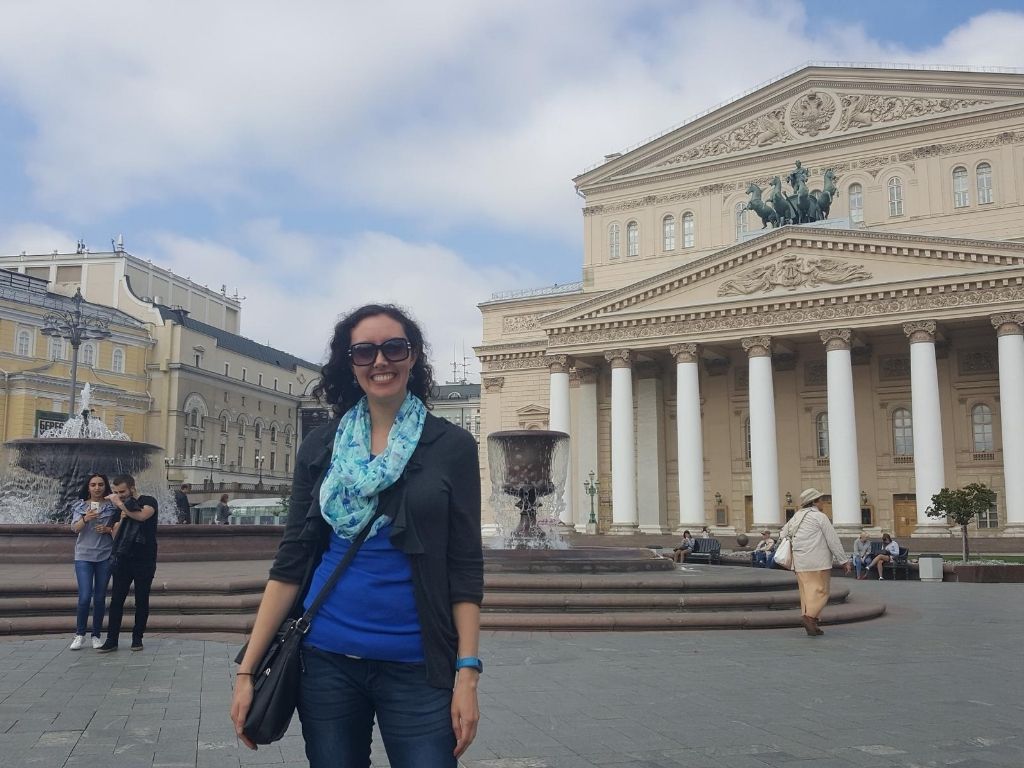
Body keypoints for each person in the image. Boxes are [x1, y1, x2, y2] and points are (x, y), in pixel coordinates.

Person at [231, 304, 483, 768]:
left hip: (418, 664)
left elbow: (465, 567)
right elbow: (292, 560)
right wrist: (248, 669)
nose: (380, 361)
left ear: (413, 357)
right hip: (326, 659)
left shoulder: (452, 447)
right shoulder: (321, 446)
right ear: (349, 363)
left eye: (394, 348)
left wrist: (467, 671)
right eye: (364, 351)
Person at [97, 474, 159, 653]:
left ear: (132, 487)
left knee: (142, 599)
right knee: (116, 600)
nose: (119, 495)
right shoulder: (119, 509)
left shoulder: (149, 500)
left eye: (122, 491)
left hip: (144, 559)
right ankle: (111, 640)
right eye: (116, 492)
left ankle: (137, 638)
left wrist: (120, 504)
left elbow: (142, 516)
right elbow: (115, 536)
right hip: (123, 559)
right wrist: (120, 519)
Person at [779, 488, 851, 636]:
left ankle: (813, 624)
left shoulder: (796, 517)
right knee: (821, 592)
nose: (822, 502)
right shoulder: (820, 517)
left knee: (806, 593)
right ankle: (809, 617)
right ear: (814, 502)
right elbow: (833, 540)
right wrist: (843, 560)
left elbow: (783, 534)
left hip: (800, 562)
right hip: (818, 562)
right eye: (820, 500)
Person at [68, 474, 118, 650]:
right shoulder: (80, 506)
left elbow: (119, 527)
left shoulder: (112, 506)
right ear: (88, 487)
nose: (97, 488)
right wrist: (85, 519)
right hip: (83, 555)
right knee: (84, 597)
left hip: (104, 555)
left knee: (99, 597)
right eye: (93, 485)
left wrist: (107, 529)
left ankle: (96, 635)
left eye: (101, 484)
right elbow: (74, 528)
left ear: (105, 487)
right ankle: (79, 634)